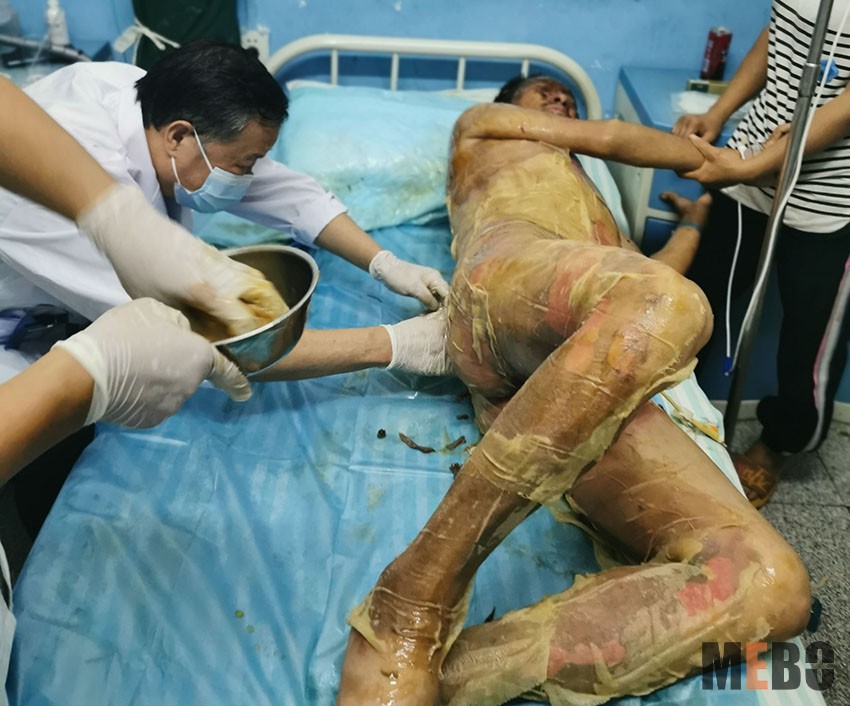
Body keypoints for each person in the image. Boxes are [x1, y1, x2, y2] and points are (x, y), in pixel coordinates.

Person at [335, 76, 811, 705]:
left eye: (567, 96)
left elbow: (649, 305)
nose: (559, 100)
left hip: (563, 391)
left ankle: (453, 677)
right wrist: (740, 163)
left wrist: (695, 222)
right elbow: (612, 139)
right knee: (669, 303)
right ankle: (413, 594)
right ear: (510, 103)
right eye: (543, 92)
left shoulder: (595, 212)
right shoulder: (485, 125)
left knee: (773, 585)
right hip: (498, 293)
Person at [671, 0, 850, 507]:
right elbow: (779, 36)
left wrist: (753, 166)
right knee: (698, 302)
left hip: (828, 195)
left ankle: (779, 443)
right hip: (749, 165)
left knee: (808, 338)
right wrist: (718, 114)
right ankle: (670, 416)